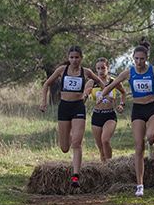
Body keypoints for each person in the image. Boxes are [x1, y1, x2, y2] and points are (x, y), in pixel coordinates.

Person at [98, 38, 154, 197]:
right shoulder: (128, 72)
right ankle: (140, 184)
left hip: (152, 108)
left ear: (146, 58)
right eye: (136, 58)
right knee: (138, 147)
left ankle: (153, 144)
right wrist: (102, 95)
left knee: (151, 137)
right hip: (137, 110)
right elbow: (111, 85)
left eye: (142, 59)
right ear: (133, 58)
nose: (139, 61)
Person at [39, 46, 106, 188]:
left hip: (78, 107)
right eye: (72, 57)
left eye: (77, 57)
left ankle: (75, 176)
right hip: (64, 108)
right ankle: (70, 133)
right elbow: (46, 84)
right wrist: (44, 101)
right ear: (68, 58)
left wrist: (102, 95)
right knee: (64, 148)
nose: (74, 60)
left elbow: (100, 82)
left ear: (81, 58)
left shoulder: (86, 72)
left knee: (76, 142)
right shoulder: (61, 70)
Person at [83, 58, 126, 163]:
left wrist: (121, 104)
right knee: (101, 148)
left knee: (105, 140)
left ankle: (110, 165)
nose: (101, 71)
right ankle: (104, 168)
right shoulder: (91, 82)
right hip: (97, 115)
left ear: (108, 68)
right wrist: (86, 94)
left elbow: (124, 93)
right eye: (98, 69)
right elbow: (82, 101)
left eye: (103, 68)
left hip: (109, 115)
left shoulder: (113, 82)